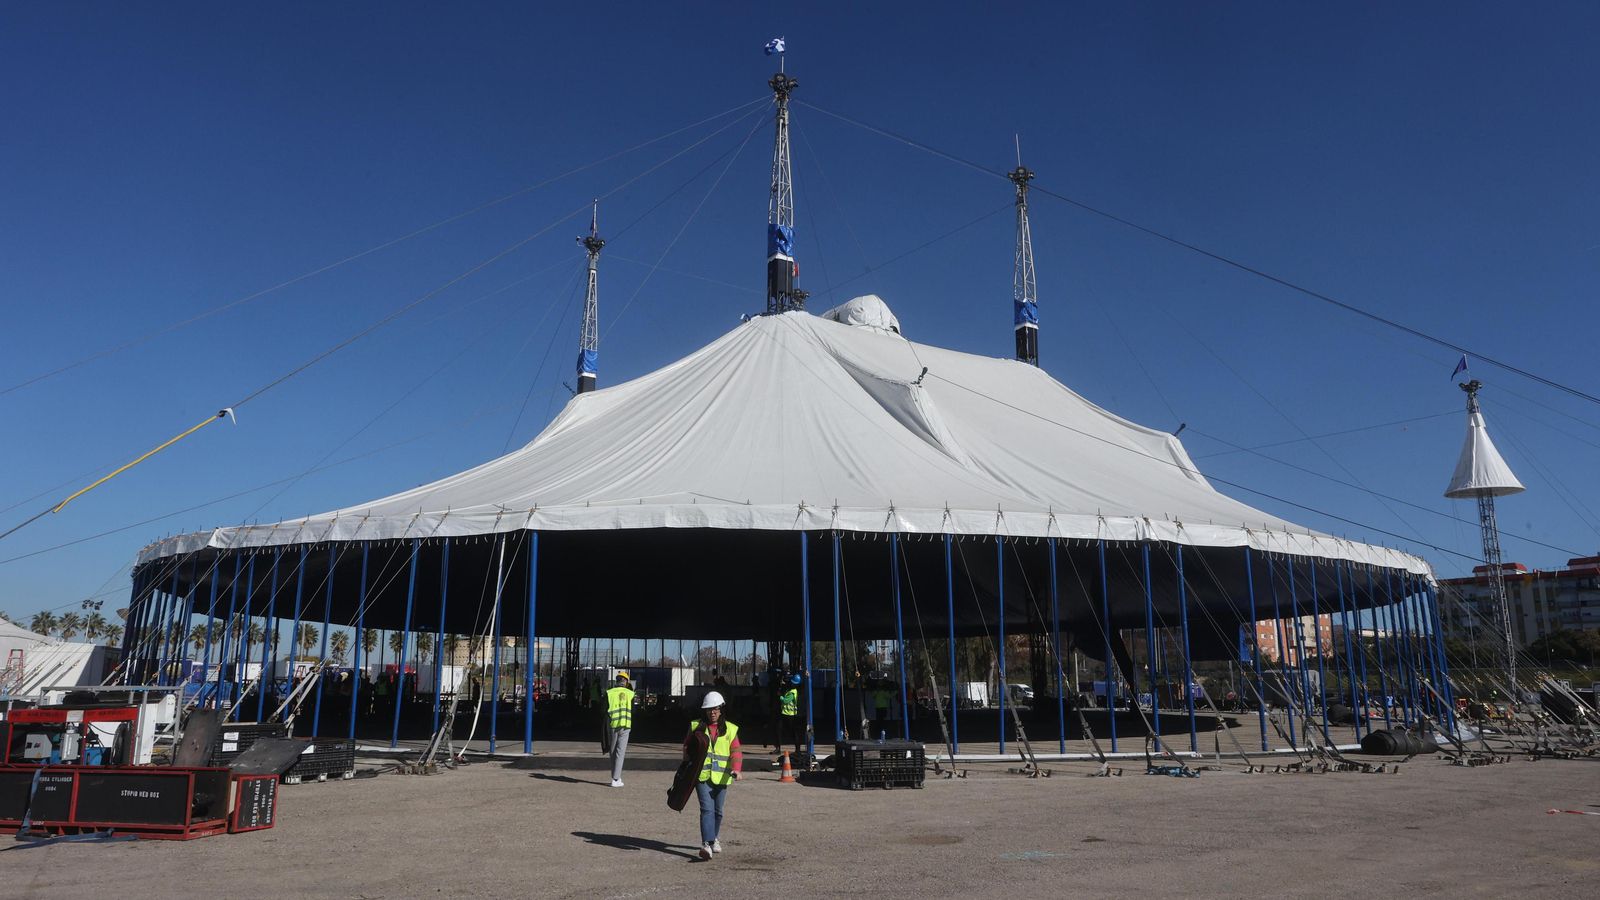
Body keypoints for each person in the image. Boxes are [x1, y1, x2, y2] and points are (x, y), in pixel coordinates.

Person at [683, 690, 742, 860]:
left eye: (715, 709)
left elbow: (736, 751)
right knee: (706, 809)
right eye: (709, 709)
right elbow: (686, 748)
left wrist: (736, 769)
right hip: (701, 777)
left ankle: (714, 838)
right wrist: (687, 767)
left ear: (721, 709)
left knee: (718, 811)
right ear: (704, 711)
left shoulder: (730, 729)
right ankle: (706, 844)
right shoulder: (696, 726)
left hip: (722, 777)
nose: (712, 712)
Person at [606, 671, 636, 787]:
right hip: (625, 725)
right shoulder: (630, 694)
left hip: (612, 725)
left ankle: (615, 776)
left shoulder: (609, 693)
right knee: (620, 752)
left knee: (612, 751)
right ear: (626, 682)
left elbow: (604, 710)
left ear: (616, 681)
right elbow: (633, 710)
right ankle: (616, 778)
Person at [776, 673, 801, 756]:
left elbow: (785, 701)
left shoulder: (793, 692)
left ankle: (798, 749)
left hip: (790, 715)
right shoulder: (791, 690)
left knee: (793, 732)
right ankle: (778, 747)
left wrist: (780, 696)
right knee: (779, 728)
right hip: (785, 713)